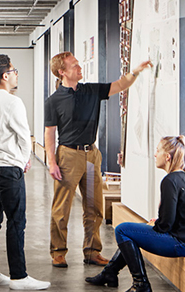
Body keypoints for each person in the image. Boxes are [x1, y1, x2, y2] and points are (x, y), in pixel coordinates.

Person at [44, 51, 153, 268]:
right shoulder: (54, 100)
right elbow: (49, 132)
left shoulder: (91, 90)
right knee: (62, 207)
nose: (79, 67)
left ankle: (92, 251)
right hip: (68, 156)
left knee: (94, 205)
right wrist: (52, 161)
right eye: (74, 65)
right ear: (62, 72)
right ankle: (58, 251)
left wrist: (136, 72)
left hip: (91, 156)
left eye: (78, 64)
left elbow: (120, 85)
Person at [86, 135, 185, 292]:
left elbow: (165, 225)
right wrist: (157, 223)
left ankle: (141, 285)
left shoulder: (170, 181)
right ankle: (109, 273)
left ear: (167, 157)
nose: (155, 154)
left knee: (122, 230)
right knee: (131, 232)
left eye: (158, 150)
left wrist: (156, 224)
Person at [0, 54, 49, 291]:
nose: (17, 74)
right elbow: (23, 135)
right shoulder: (12, 102)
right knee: (16, 222)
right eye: (14, 70)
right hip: (8, 169)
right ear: (5, 75)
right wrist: (24, 161)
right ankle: (19, 276)